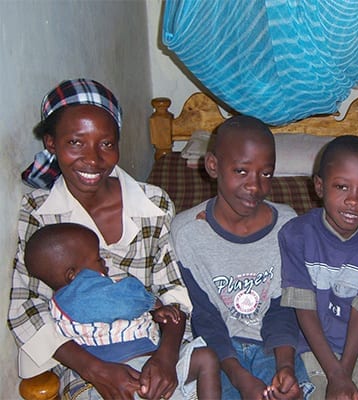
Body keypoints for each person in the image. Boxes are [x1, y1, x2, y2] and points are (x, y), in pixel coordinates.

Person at [8, 79, 219, 400]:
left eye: (106, 144)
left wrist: (166, 356)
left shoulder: (153, 203)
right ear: (51, 143)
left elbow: (173, 290)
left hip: (155, 346)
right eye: (75, 142)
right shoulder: (39, 212)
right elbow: (27, 308)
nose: (92, 159)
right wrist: (96, 370)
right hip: (87, 362)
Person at [171, 115, 312, 400]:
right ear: (213, 166)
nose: (255, 186)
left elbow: (283, 307)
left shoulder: (287, 226)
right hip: (218, 352)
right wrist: (238, 376)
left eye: (266, 173)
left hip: (274, 346)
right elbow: (204, 316)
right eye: (241, 171)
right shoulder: (187, 233)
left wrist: (285, 366)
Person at [24, 222, 221, 398]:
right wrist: (151, 303)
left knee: (206, 357)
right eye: (97, 259)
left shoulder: (71, 301)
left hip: (148, 365)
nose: (105, 264)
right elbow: (127, 302)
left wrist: (154, 315)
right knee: (206, 359)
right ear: (72, 275)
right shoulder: (79, 295)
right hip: (120, 374)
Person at [278, 135, 358, 399]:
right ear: (319, 187)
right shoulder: (296, 235)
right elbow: (304, 310)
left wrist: (343, 373)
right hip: (309, 351)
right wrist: (336, 376)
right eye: (342, 187)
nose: (354, 200)